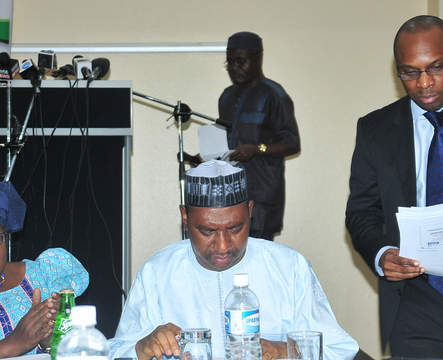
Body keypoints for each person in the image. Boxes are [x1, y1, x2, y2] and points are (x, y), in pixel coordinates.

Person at [108, 160, 358, 360]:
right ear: (185, 217)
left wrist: (283, 350)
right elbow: (115, 353)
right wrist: (141, 349)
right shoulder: (157, 273)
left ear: (250, 211)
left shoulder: (289, 268)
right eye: (207, 231)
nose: (223, 246)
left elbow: (340, 350)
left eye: (235, 228)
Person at [346, 15, 443, 358]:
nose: (425, 82)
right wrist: (381, 254)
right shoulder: (375, 130)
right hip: (415, 301)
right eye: (410, 72)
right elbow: (361, 212)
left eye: (436, 67)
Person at [0, 180, 89, 358]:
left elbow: (81, 351)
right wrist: (12, 344)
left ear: (6, 239)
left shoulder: (44, 275)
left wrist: (50, 342)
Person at [219, 31, 301, 241]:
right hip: (229, 193)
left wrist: (257, 149)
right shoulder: (227, 97)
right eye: (229, 62)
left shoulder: (274, 95)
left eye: (240, 61)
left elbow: (292, 144)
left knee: (258, 258)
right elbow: (225, 141)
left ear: (258, 58)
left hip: (262, 194)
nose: (234, 68)